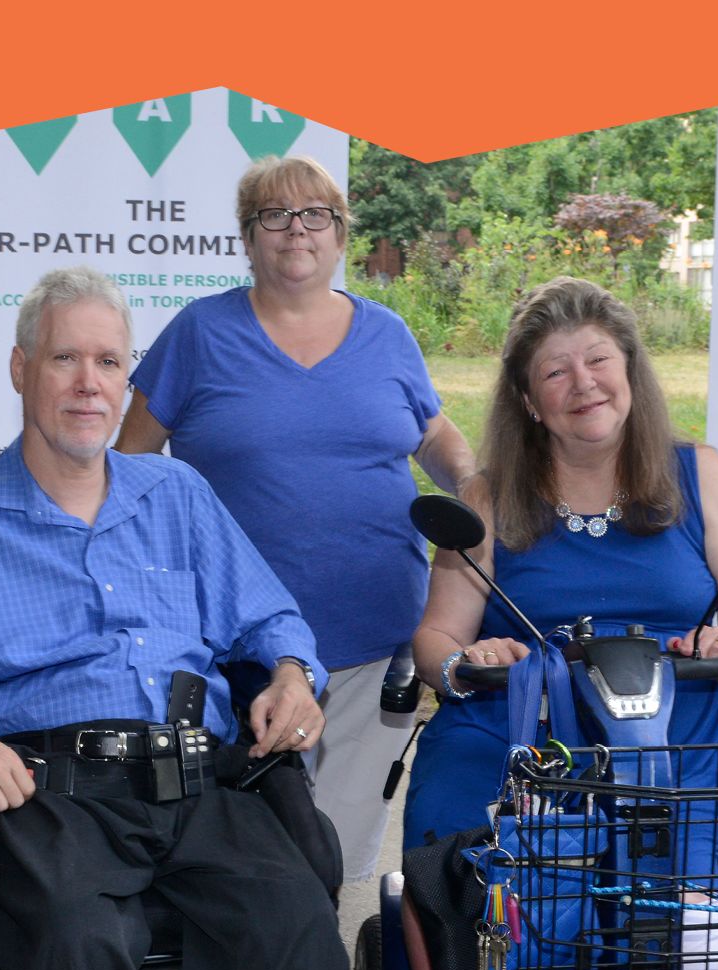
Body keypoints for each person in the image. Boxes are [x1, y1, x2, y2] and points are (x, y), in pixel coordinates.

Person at [0, 265, 349, 970]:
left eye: (108, 362)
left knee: (293, 920)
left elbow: (271, 619)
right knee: (77, 940)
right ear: (20, 369)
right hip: (46, 796)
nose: (88, 383)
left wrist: (292, 674)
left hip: (193, 779)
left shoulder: (177, 495)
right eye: (65, 358)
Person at [119, 153, 477, 884]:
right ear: (247, 239)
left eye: (315, 214)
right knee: (253, 855)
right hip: (236, 650)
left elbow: (433, 435)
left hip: (374, 639)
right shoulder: (198, 333)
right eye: (273, 216)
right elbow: (127, 467)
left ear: (340, 234)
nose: (296, 230)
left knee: (338, 854)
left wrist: (476, 488)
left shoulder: (387, 335)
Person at [401, 276, 718, 864]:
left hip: (667, 731)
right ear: (528, 401)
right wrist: (461, 662)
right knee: (455, 866)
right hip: (513, 728)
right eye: (555, 372)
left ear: (629, 369)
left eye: (599, 359)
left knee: (670, 915)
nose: (584, 383)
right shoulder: (486, 496)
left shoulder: (699, 473)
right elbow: (435, 637)